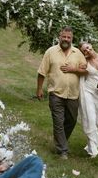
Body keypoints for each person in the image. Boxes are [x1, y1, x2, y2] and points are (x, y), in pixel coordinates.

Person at [36, 26, 87, 159]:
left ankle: (60, 141)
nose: (66, 39)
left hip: (73, 94)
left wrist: (73, 68)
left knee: (72, 120)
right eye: (63, 36)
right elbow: (41, 72)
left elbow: (86, 71)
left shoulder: (78, 53)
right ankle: (63, 150)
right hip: (56, 93)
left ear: (72, 38)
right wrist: (39, 88)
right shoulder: (50, 52)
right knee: (58, 121)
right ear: (59, 37)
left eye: (68, 37)